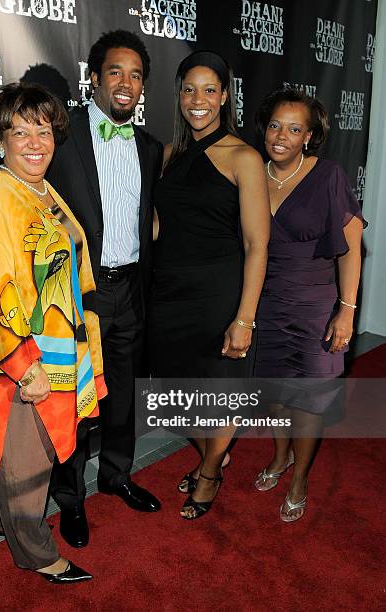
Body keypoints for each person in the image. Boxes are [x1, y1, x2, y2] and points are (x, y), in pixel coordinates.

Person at [0, 82, 106, 582]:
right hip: (14, 361)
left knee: (20, 455)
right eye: (20, 131)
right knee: (27, 465)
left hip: (53, 349)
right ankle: (38, 555)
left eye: (43, 129)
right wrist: (24, 365)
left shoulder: (39, 188)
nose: (35, 141)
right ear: (0, 138)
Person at [47, 30, 162, 548]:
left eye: (136, 75)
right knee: (75, 403)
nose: (126, 83)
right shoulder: (61, 140)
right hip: (78, 296)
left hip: (130, 291)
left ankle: (116, 475)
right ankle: (70, 502)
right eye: (115, 71)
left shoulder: (150, 147)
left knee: (122, 400)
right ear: (93, 78)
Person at [148, 51, 270, 519]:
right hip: (170, 292)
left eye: (209, 90)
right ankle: (214, 454)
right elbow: (161, 225)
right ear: (178, 96)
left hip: (219, 294)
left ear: (224, 97)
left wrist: (244, 318)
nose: (197, 100)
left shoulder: (244, 156)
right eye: (188, 89)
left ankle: (211, 471)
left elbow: (258, 244)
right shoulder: (167, 156)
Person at [253, 88, 365, 522]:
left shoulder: (328, 175)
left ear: (310, 136)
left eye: (294, 128)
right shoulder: (251, 172)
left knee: (309, 401)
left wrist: (347, 309)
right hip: (266, 305)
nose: (281, 135)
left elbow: (352, 249)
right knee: (276, 397)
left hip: (317, 307)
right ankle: (280, 458)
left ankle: (300, 477)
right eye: (276, 125)